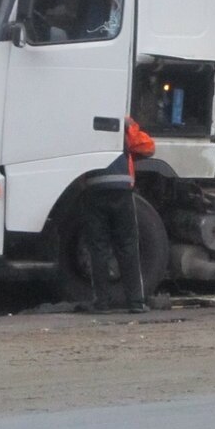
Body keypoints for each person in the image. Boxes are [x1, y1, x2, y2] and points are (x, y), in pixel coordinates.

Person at [82, 117, 156, 313]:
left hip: (95, 189)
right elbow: (147, 147)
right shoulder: (121, 120)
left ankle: (102, 303)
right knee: (128, 246)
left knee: (98, 248)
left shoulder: (83, 117)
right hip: (122, 190)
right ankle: (136, 303)